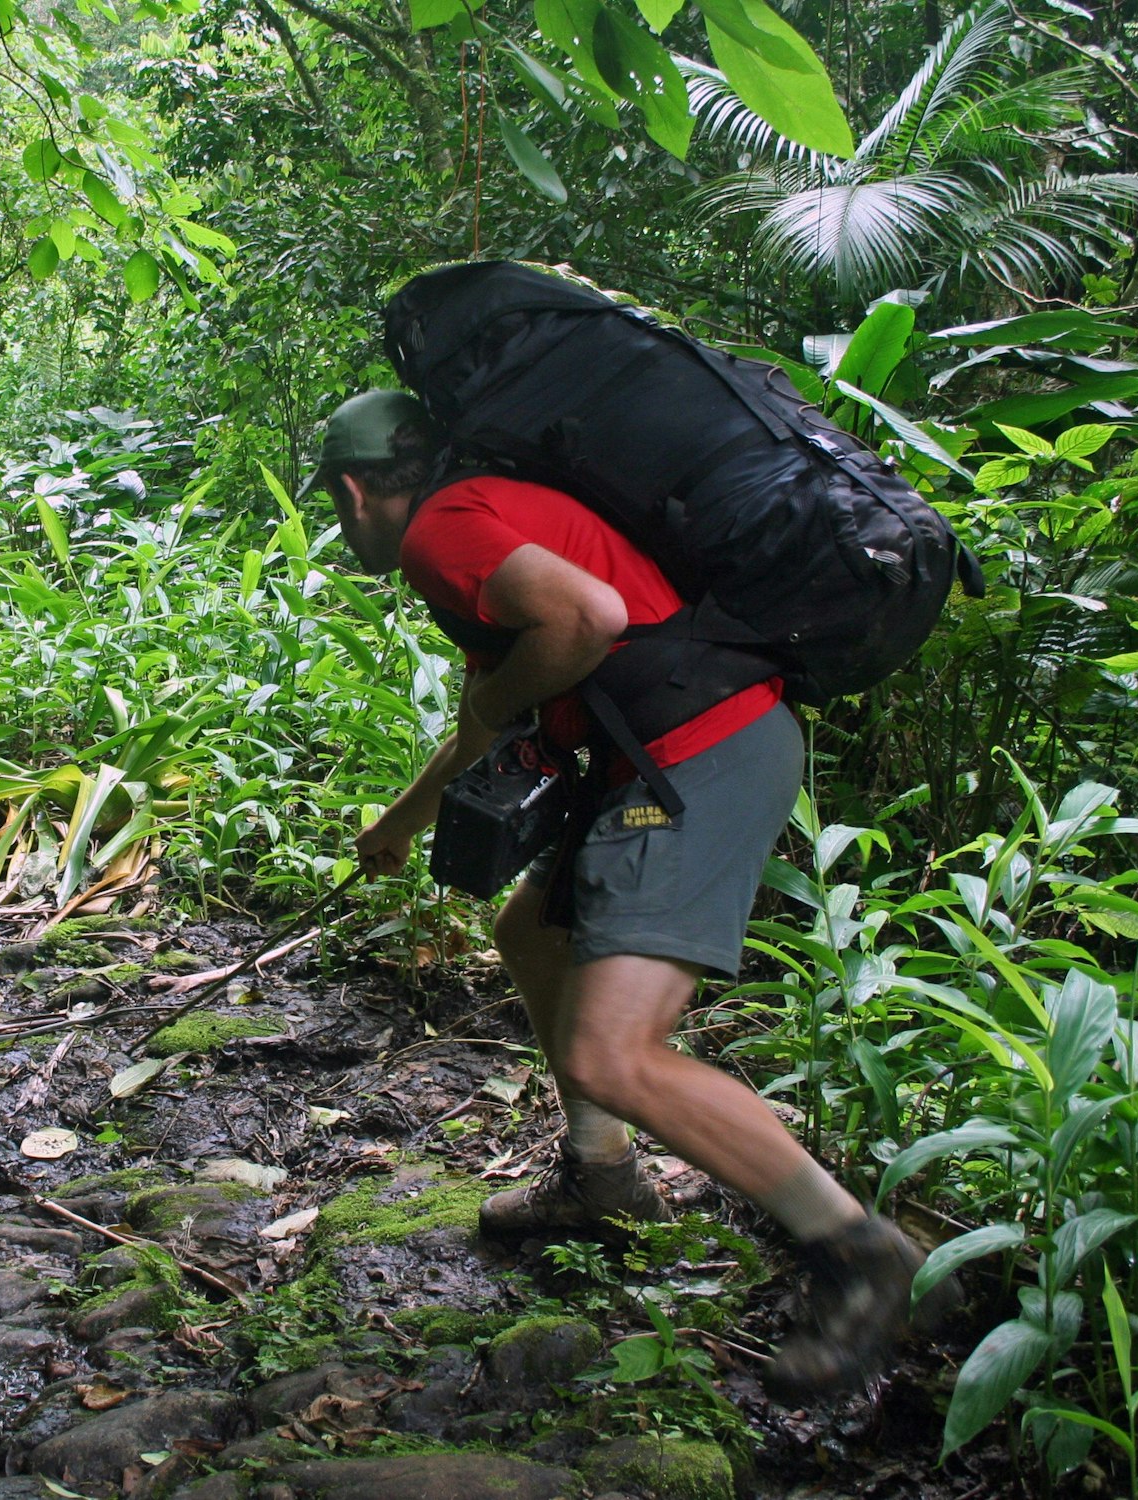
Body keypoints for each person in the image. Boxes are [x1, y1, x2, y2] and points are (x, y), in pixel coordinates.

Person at [299, 387, 942, 1400]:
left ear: (351, 490)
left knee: (615, 1049)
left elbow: (585, 623)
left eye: (334, 509)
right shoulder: (492, 514)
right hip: (677, 749)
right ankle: (600, 1179)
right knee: (530, 931)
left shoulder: (441, 529)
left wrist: (497, 699)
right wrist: (398, 825)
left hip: (698, 753)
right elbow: (491, 712)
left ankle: (859, 1249)